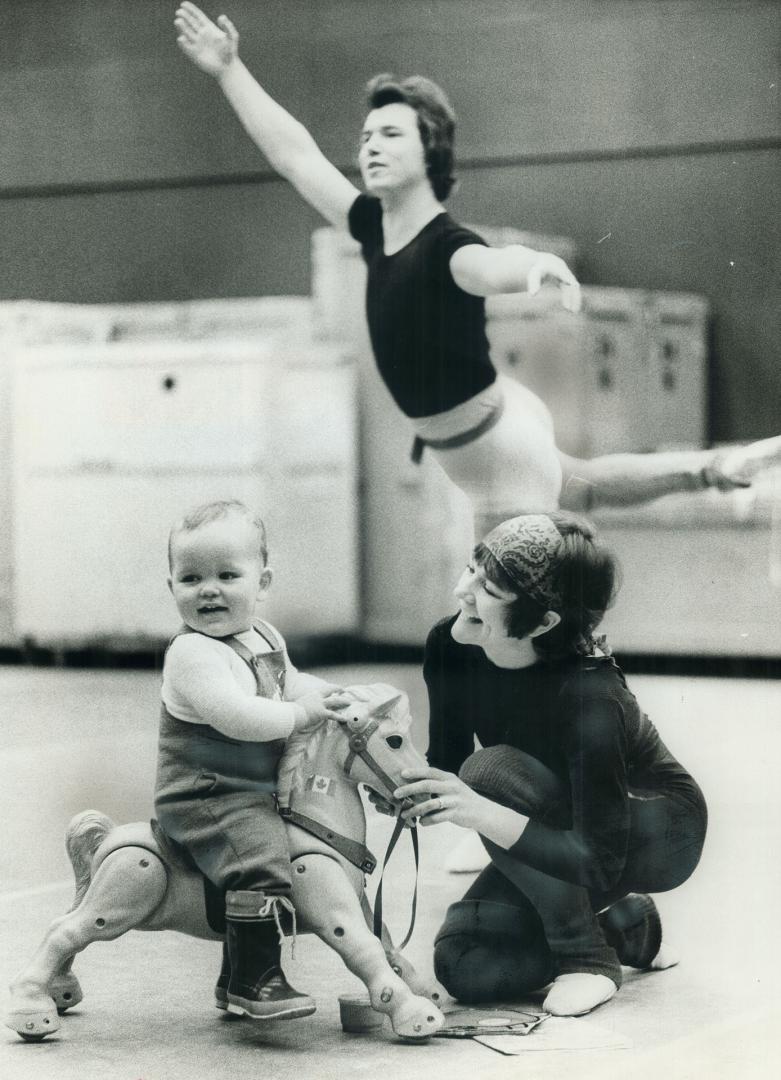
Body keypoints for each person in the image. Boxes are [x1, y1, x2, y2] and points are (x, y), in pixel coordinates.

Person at [173, 3, 781, 536]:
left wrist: (535, 265)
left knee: (509, 603)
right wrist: (230, 70)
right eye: (364, 137)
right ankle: (715, 469)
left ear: (430, 148)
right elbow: (295, 154)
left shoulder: (445, 247)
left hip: (494, 446)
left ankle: (711, 473)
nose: (369, 147)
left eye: (389, 133)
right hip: (488, 424)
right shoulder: (371, 225)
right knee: (584, 488)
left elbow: (492, 265)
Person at [392, 512, 708, 1016]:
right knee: (465, 964)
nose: (461, 591)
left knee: (488, 774)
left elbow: (597, 856)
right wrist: (388, 771)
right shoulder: (451, 645)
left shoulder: (592, 694)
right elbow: (447, 767)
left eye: (489, 589)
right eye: (471, 568)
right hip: (549, 813)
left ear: (543, 622)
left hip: (652, 830)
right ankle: (625, 924)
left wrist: (474, 810)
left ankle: (587, 958)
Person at [154, 499, 347, 1020]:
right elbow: (238, 717)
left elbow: (289, 682)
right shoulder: (193, 653)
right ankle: (253, 980)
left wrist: (328, 696)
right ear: (171, 588)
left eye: (226, 574)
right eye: (190, 577)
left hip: (248, 784)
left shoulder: (263, 636)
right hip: (206, 791)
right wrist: (301, 716)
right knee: (260, 857)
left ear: (261, 582)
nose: (208, 588)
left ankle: (232, 974)